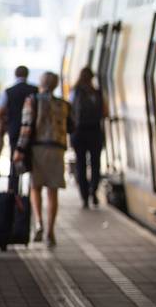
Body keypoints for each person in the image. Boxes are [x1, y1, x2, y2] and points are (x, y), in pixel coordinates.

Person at [13, 72, 72, 248]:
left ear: (41, 83)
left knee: (35, 187)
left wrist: (20, 149)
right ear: (55, 85)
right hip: (57, 149)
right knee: (52, 191)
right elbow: (72, 125)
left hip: (38, 148)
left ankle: (38, 222)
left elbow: (27, 126)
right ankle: (50, 231)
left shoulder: (32, 100)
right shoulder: (63, 104)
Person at [69, 66, 106, 209]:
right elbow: (105, 112)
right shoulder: (97, 92)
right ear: (92, 78)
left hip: (78, 133)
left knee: (81, 164)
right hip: (95, 131)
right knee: (96, 163)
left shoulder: (74, 92)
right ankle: (94, 191)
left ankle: (84, 197)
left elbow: (70, 110)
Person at [0, 65, 37, 171]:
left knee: (14, 158)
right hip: (32, 129)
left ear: (15, 75)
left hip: (14, 128)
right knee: (32, 161)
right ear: (27, 75)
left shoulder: (9, 91)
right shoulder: (35, 90)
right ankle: (30, 187)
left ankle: (13, 186)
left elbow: (0, 111)